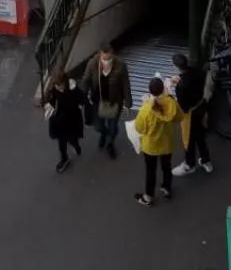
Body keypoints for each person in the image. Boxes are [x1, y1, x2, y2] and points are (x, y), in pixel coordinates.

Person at [134, 77, 183, 205]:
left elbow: (139, 128)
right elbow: (180, 117)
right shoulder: (171, 103)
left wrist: (145, 103)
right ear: (163, 89)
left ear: (149, 91)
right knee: (166, 166)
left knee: (151, 171)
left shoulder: (146, 109)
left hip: (151, 146)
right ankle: (166, 187)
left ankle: (148, 197)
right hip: (167, 143)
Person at [82, 45, 132, 160]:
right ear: (100, 55)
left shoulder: (120, 65)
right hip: (97, 102)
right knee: (98, 126)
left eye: (109, 59)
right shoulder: (92, 64)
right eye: (104, 59)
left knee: (113, 126)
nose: (107, 62)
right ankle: (104, 134)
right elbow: (86, 80)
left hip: (114, 102)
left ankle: (110, 143)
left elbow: (125, 84)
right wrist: (82, 97)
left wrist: (128, 103)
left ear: (112, 55)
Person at [170, 53, 212, 177]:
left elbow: (183, 107)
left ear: (176, 67)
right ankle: (206, 160)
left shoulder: (181, 87)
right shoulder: (196, 72)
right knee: (201, 136)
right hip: (201, 107)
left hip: (190, 114)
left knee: (188, 139)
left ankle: (189, 164)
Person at [45, 70, 86, 173]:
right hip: (60, 120)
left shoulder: (72, 88)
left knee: (72, 138)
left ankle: (75, 145)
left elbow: (82, 98)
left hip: (72, 119)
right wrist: (49, 108)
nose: (59, 88)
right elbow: (51, 101)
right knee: (61, 142)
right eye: (57, 85)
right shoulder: (53, 90)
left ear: (65, 81)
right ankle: (64, 158)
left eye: (60, 85)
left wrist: (81, 104)